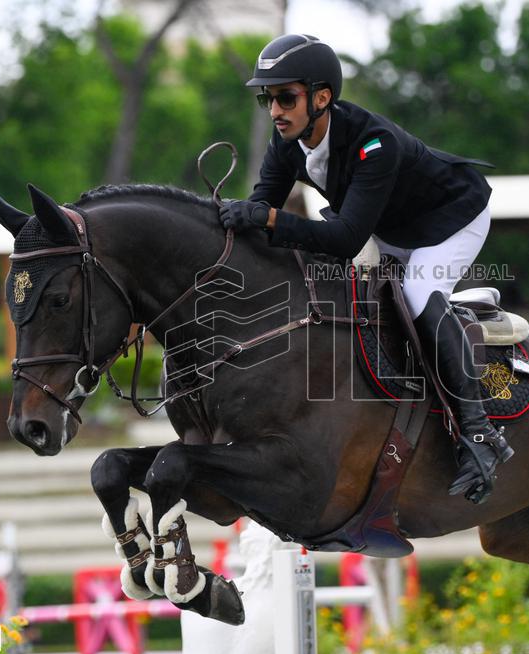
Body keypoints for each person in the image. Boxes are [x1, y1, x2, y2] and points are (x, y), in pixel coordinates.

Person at [219, 34, 512, 504]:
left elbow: (345, 239)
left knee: (417, 295)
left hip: (452, 217)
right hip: (392, 226)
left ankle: (480, 435)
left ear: (321, 98)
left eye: (285, 98)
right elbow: (261, 213)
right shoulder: (287, 143)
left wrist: (271, 220)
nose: (275, 110)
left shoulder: (375, 143)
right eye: (267, 99)